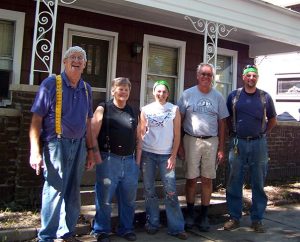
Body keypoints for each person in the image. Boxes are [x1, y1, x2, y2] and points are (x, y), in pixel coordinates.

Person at [29, 46, 95, 241]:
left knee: (74, 190)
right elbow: (36, 120)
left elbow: (88, 122)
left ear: (84, 65)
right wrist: (35, 151)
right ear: (65, 62)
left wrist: (91, 150)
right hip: (56, 145)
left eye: (81, 58)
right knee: (54, 190)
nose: (76, 60)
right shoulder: (51, 84)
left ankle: (66, 232)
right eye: (72, 57)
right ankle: (46, 236)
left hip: (80, 145)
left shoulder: (86, 88)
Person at [224, 64, 277, 233]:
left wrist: (263, 133)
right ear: (243, 77)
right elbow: (227, 118)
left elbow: (273, 119)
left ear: (257, 78)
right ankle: (234, 217)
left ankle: (257, 219)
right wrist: (233, 133)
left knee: (258, 182)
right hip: (238, 143)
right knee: (234, 181)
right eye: (249, 75)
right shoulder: (234, 96)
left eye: (254, 75)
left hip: (258, 144)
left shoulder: (265, 97)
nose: (251, 78)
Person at [177, 63, 229, 232]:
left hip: (211, 141)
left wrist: (221, 147)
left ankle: (204, 215)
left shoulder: (218, 97)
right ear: (197, 76)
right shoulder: (187, 95)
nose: (206, 77)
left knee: (207, 179)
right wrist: (179, 145)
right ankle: (190, 213)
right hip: (191, 140)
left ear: (212, 77)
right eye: (203, 74)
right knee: (191, 179)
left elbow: (222, 123)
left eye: (209, 75)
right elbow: (179, 120)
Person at [91, 77, 140, 242]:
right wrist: (94, 155)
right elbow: (92, 133)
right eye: (120, 88)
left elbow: (138, 136)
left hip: (130, 161)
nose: (123, 92)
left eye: (126, 89)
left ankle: (126, 229)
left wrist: (137, 161)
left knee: (128, 199)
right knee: (104, 198)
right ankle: (101, 230)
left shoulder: (132, 111)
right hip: (108, 159)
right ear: (113, 90)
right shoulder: (103, 108)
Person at [139, 80, 188, 240]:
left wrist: (173, 156)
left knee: (170, 191)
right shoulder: (146, 110)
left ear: (168, 93)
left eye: (164, 91)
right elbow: (141, 133)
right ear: (153, 92)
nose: (161, 94)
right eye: (158, 91)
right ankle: (152, 223)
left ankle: (176, 227)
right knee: (149, 190)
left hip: (166, 155)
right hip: (148, 154)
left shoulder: (174, 109)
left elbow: (177, 135)